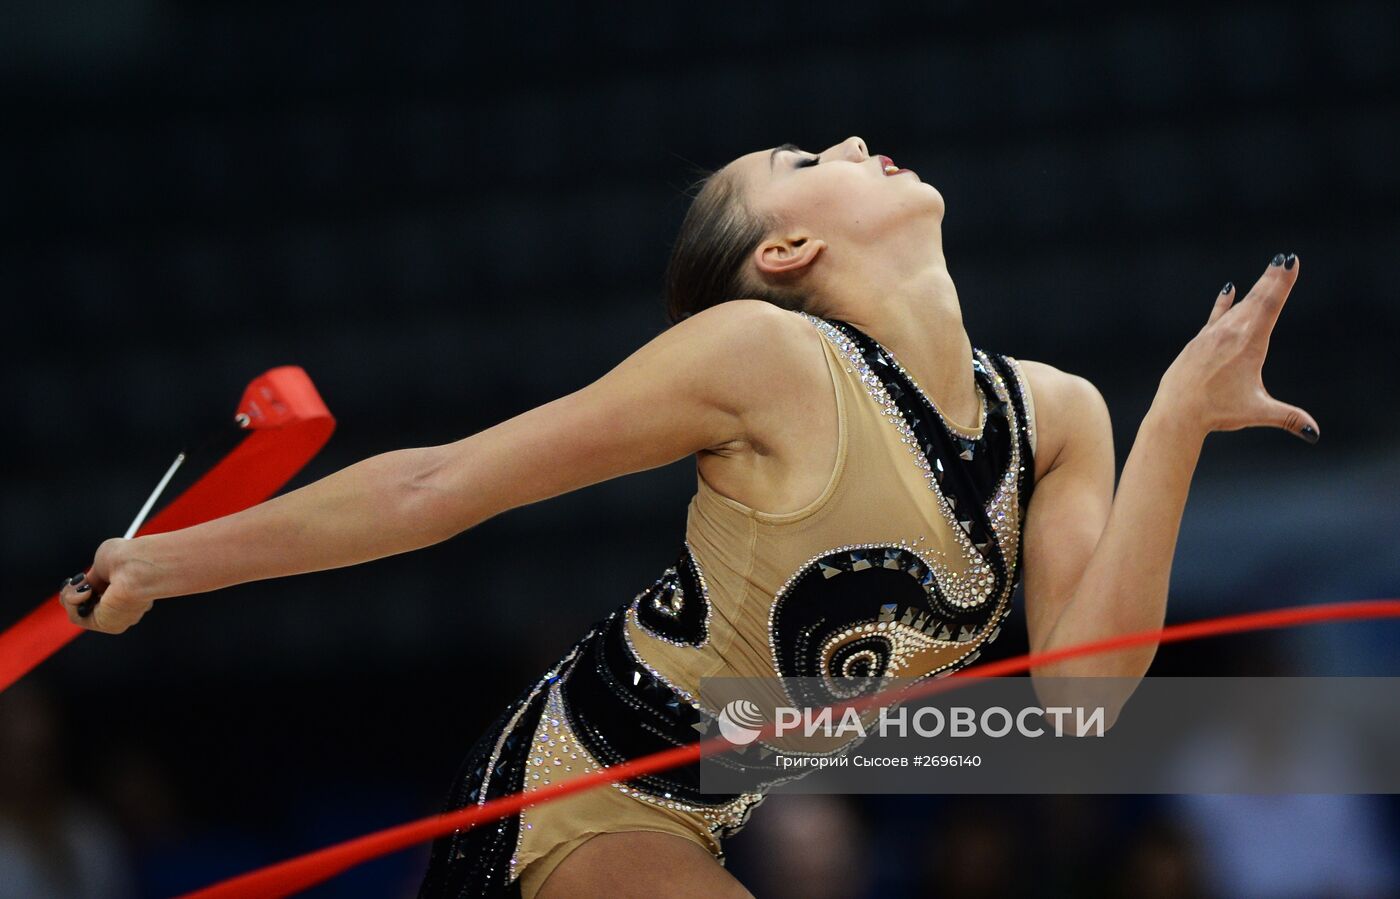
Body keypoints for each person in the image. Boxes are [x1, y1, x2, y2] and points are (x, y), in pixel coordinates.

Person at [57, 136, 1319, 898]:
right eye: (802, 162)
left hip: (711, 802)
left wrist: (1174, 421)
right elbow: (440, 484)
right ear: (781, 254)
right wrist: (167, 563)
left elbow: (1086, 696)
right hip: (579, 789)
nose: (849, 139)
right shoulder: (761, 357)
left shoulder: (1056, 414)